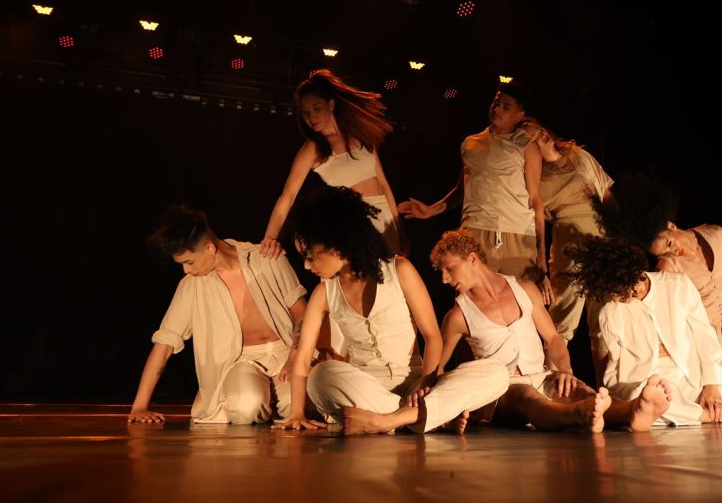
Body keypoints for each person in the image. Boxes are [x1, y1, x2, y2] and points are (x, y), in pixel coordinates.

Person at [274, 187, 508, 435]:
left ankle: (387, 422)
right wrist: (296, 413)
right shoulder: (324, 292)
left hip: (414, 384)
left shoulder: (400, 270)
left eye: (310, 256)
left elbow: (432, 336)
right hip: (365, 388)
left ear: (336, 245)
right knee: (320, 376)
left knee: (496, 372)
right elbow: (302, 359)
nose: (307, 265)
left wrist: (426, 385)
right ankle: (426, 417)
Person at [431, 230, 675, 432]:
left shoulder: (524, 289)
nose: (443, 279)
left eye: (448, 269)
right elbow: (437, 370)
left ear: (472, 259)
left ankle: (634, 411)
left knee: (580, 391)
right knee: (527, 396)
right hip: (502, 392)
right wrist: (446, 412)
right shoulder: (457, 316)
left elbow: (553, 338)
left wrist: (566, 371)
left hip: (542, 375)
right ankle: (582, 414)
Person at [567, 236, 722, 426]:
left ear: (630, 274)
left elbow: (705, 336)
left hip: (696, 381)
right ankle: (711, 417)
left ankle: (689, 415)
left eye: (618, 291)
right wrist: (620, 397)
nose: (616, 298)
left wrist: (712, 385)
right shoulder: (610, 311)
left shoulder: (678, 285)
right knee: (642, 398)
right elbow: (618, 367)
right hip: (649, 386)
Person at [128, 205, 308, 424]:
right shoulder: (190, 286)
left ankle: (275, 401)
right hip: (241, 361)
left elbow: (302, 314)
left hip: (286, 353)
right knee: (245, 408)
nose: (186, 270)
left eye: (189, 262)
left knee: (299, 407)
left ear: (210, 248)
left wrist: (295, 356)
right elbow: (164, 344)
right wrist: (139, 406)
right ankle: (262, 401)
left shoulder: (266, 258)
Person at [399, 83, 551, 301]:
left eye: (506, 107)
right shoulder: (471, 143)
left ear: (520, 115)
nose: (497, 109)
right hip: (476, 232)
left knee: (520, 304)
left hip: (518, 235)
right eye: (496, 102)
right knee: (475, 303)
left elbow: (535, 200)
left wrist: (541, 254)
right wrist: (432, 210)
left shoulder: (527, 146)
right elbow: (462, 190)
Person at [597, 172, 722, 376]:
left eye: (669, 243)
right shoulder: (667, 267)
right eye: (664, 252)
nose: (673, 252)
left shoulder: (714, 233)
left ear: (671, 226)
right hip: (701, 342)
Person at [260, 69, 405, 259]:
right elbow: (288, 196)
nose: (311, 117)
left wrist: (401, 232)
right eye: (305, 113)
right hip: (352, 223)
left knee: (390, 281)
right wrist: (270, 237)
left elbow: (383, 185)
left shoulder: (360, 134)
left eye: (316, 109)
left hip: (385, 220)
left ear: (331, 104)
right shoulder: (313, 149)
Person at [518, 118, 613, 380]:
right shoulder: (535, 175)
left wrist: (620, 229)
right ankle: (549, 381)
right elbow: (534, 216)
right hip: (569, 239)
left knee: (605, 319)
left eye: (540, 129)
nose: (541, 135)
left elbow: (606, 191)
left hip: (602, 234)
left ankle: (606, 389)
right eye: (532, 136)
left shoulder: (578, 154)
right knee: (564, 313)